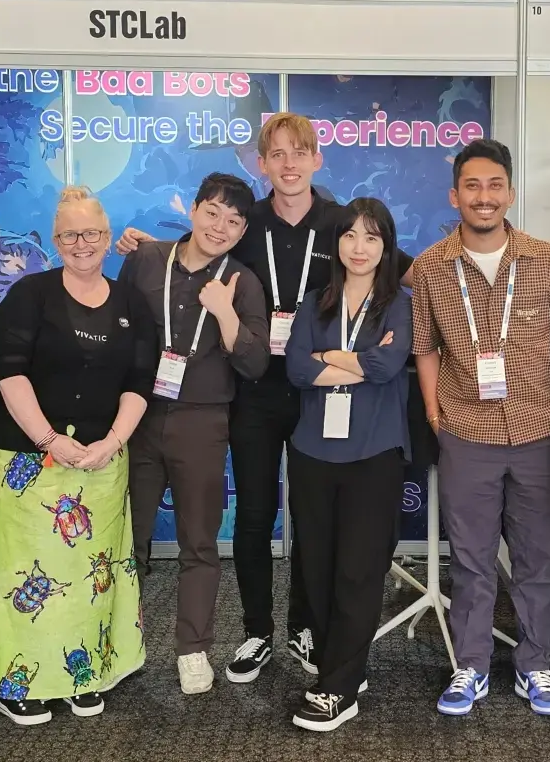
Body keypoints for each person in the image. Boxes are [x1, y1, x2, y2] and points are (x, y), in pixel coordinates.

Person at [115, 112, 415, 682]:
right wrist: (147, 245)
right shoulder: (245, 221)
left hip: (321, 394)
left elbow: (393, 265)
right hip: (251, 390)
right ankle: (256, 631)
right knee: (254, 515)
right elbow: (197, 251)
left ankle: (304, 627)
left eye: (299, 153)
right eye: (277, 154)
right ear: (262, 163)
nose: (289, 164)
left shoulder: (340, 223)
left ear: (317, 159)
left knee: (312, 520)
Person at [0, 186, 156, 724]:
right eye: (70, 235)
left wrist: (113, 441)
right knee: (22, 573)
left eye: (91, 233)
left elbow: (141, 380)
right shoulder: (30, 295)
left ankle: (82, 675)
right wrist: (48, 439)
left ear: (108, 238)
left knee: (88, 574)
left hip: (101, 460)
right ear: (55, 241)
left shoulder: (132, 303)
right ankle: (17, 682)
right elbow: (9, 371)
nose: (82, 243)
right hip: (27, 461)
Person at [411, 138, 550, 718]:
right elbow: (424, 347)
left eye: (494, 186)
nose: (483, 197)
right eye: (472, 186)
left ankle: (535, 666)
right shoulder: (430, 267)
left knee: (536, 559)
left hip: (540, 432)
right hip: (466, 433)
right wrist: (435, 414)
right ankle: (472, 665)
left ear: (510, 193)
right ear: (454, 195)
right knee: (471, 559)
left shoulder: (545, 260)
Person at [118, 172, 269, 694]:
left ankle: (193, 649)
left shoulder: (243, 281)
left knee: (199, 542)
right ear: (194, 210)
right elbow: (117, 324)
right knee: (126, 539)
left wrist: (225, 313)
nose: (220, 226)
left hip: (203, 420)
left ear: (243, 230)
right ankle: (119, 642)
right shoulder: (146, 258)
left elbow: (254, 363)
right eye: (212, 212)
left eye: (234, 221)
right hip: (136, 415)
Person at [284, 197, 412, 732]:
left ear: (386, 246)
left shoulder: (399, 303)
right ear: (336, 243)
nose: (360, 248)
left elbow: (388, 364)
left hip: (374, 453)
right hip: (313, 451)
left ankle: (339, 688)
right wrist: (356, 363)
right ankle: (341, 665)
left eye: (372, 237)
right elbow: (296, 369)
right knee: (316, 567)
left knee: (359, 569)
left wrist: (329, 358)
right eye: (350, 236)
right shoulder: (315, 302)